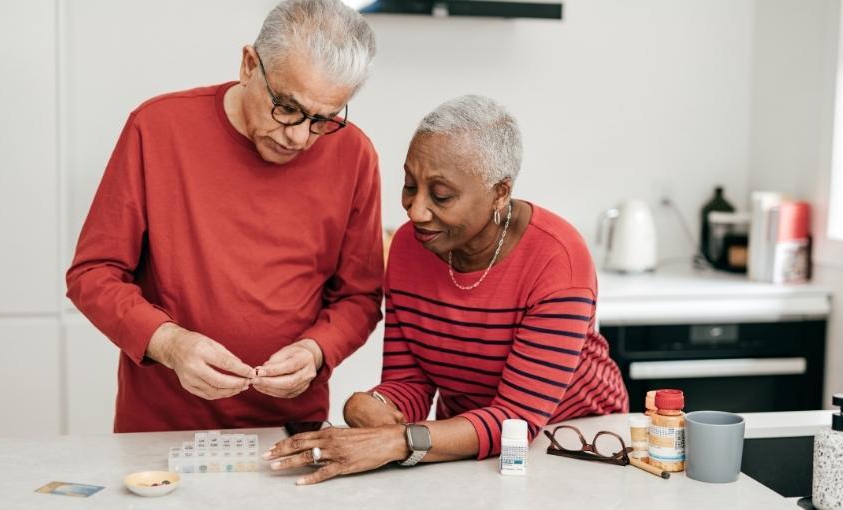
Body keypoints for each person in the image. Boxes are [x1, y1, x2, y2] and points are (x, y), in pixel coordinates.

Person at [264, 95, 628, 485]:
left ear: (500, 192)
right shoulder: (410, 247)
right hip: (469, 448)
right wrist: (369, 406)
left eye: (441, 196)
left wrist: (396, 442)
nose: (415, 210)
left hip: (582, 445)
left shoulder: (557, 261)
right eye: (409, 185)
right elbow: (412, 383)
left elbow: (516, 420)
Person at [66, 0, 383, 432]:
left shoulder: (354, 155)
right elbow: (93, 274)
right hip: (163, 427)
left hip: (290, 428)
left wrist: (316, 350)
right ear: (250, 65)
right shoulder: (157, 128)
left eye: (322, 120)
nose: (298, 136)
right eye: (286, 107)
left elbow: (359, 297)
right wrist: (170, 344)